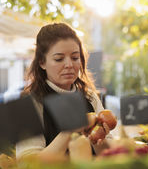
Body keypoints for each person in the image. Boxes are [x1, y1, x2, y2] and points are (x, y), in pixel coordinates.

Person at [16, 22, 110, 159]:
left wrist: (98, 138)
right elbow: (28, 164)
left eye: (75, 58)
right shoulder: (29, 103)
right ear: (42, 62)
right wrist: (69, 131)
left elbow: (108, 155)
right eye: (59, 59)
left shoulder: (90, 97)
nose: (69, 65)